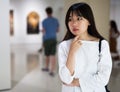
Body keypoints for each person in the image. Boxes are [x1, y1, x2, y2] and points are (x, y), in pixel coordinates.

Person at [58, 2, 112, 92]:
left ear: (89, 21)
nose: (74, 23)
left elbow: (104, 78)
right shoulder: (64, 45)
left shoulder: (102, 44)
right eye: (70, 19)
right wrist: (72, 52)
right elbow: (65, 79)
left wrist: (77, 82)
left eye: (79, 18)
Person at [41, 7, 59, 76]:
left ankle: (46, 67)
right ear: (52, 12)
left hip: (47, 39)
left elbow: (43, 31)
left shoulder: (44, 21)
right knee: (53, 55)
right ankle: (51, 70)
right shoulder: (56, 20)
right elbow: (57, 30)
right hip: (54, 39)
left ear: (46, 12)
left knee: (47, 55)